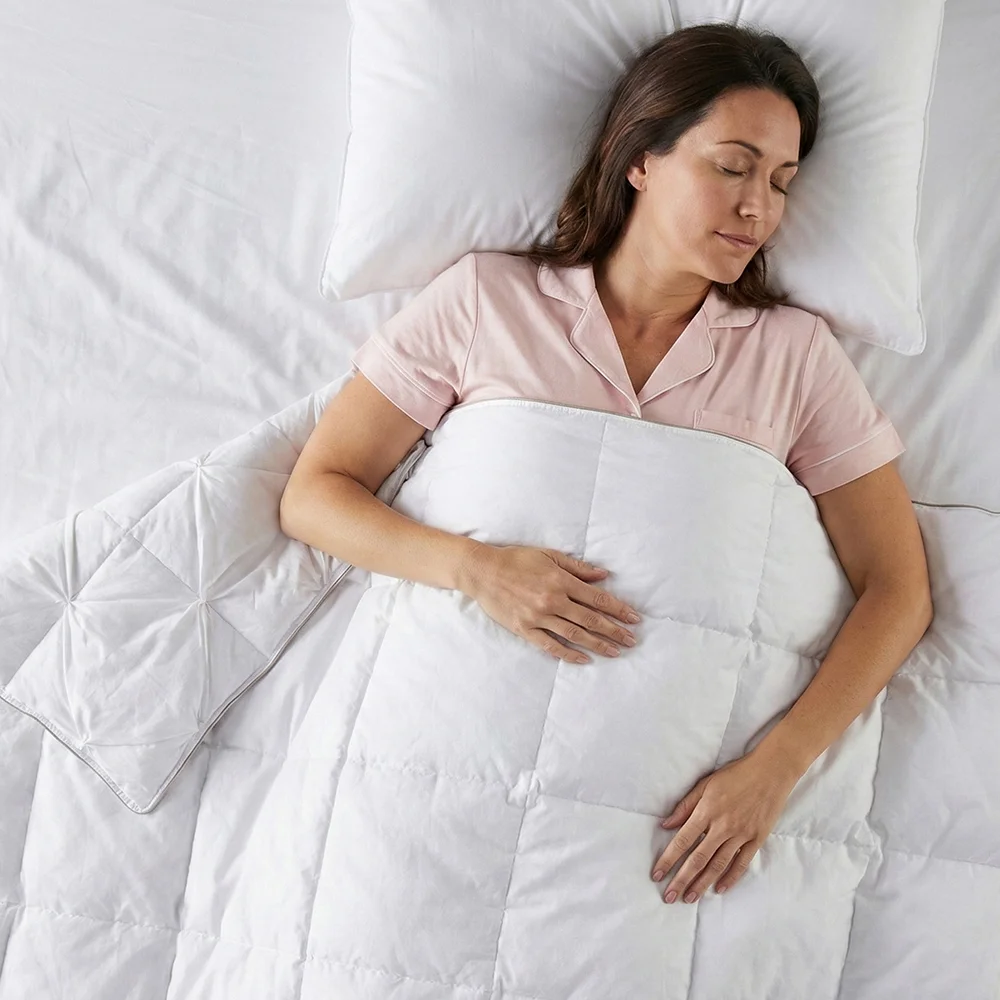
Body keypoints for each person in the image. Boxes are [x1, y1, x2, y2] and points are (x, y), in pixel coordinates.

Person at [279, 22, 918, 669]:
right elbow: (314, 496)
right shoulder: (485, 299)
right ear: (640, 159)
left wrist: (785, 741)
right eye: (732, 167)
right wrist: (478, 569)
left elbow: (897, 591)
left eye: (781, 181)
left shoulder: (795, 355)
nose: (759, 207)